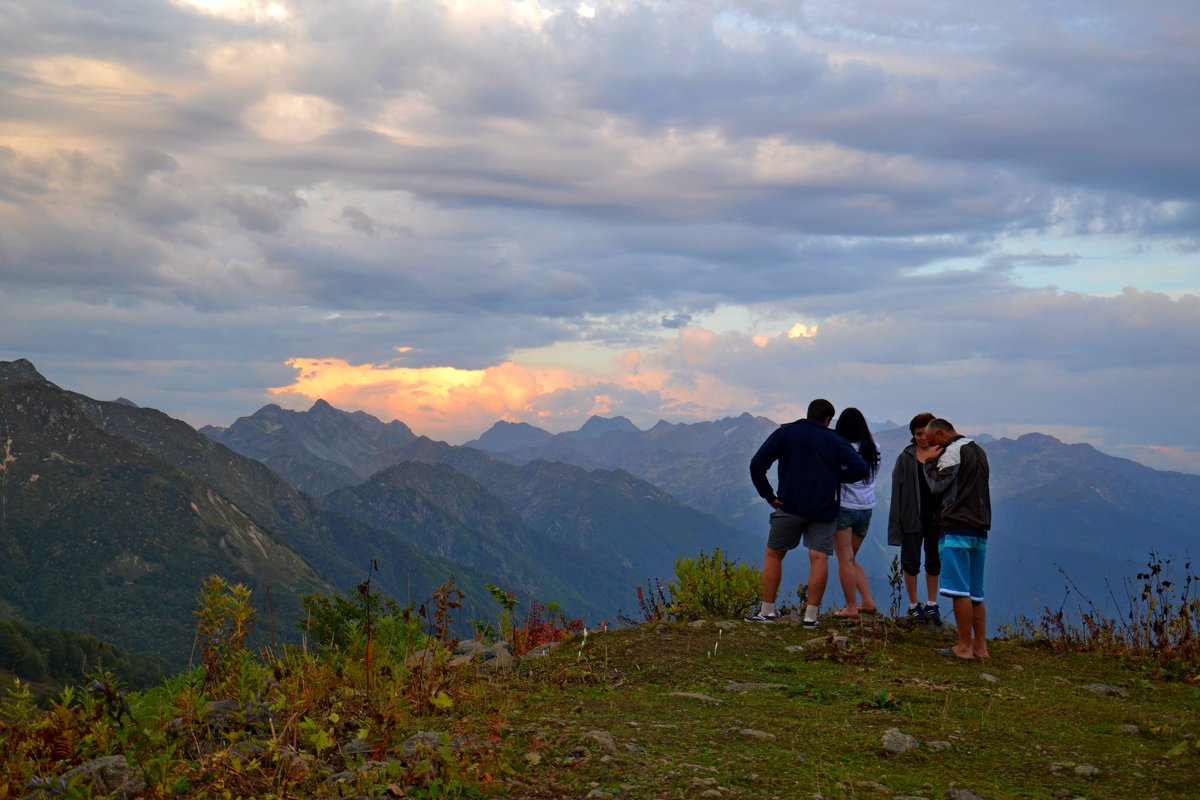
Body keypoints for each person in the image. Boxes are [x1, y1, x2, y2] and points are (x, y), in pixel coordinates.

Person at [746, 398, 869, 628]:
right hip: (824, 508)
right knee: (819, 557)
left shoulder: (786, 433)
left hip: (789, 504)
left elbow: (756, 464)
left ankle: (767, 612)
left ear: (808, 413)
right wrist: (835, 478)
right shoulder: (834, 439)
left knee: (774, 555)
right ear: (827, 419)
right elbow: (860, 468)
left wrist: (769, 495)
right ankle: (810, 617)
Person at [923, 418, 992, 659]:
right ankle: (981, 648)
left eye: (933, 442)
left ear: (941, 434)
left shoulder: (952, 452)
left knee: (959, 590)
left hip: (956, 527)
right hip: (979, 528)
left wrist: (929, 462)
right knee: (976, 593)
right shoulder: (978, 450)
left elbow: (936, 485)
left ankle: (963, 647)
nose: (933, 447)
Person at [887, 412, 943, 624]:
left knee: (933, 561)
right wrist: (896, 525)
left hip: (936, 517)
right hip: (911, 516)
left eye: (925, 433)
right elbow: (897, 492)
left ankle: (931, 604)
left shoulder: (941, 455)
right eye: (918, 433)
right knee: (910, 562)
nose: (921, 437)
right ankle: (913, 605)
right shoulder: (905, 458)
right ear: (913, 435)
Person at [831, 408, 881, 619]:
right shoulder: (875, 449)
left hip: (844, 508)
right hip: (866, 509)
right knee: (851, 558)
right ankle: (868, 602)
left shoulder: (841, 449)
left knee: (844, 559)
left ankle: (851, 608)